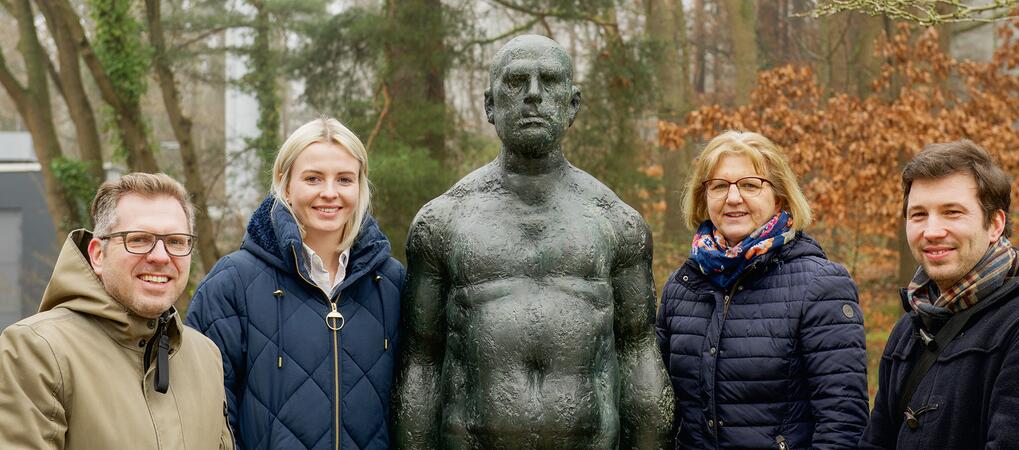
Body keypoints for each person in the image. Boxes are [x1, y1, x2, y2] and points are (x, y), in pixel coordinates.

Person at [391, 34, 672, 449]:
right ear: (490, 105)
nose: (534, 95)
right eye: (517, 81)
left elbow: (640, 359)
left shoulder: (617, 222)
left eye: (550, 81)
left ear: (572, 105)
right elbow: (421, 365)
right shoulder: (442, 222)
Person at [186, 118, 405, 449]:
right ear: (285, 183)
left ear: (360, 186)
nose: (329, 193)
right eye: (313, 178)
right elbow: (205, 412)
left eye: (344, 179)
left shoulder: (391, 282)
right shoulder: (232, 282)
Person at [656, 131, 868, 449]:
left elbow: (843, 424)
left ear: (779, 198)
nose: (733, 198)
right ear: (704, 198)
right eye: (719, 186)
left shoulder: (821, 285)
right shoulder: (681, 287)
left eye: (749, 185)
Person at [0, 172, 233, 449]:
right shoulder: (37, 350)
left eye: (175, 241)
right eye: (138, 239)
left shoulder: (206, 357)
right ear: (98, 255)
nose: (160, 256)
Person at [860, 140, 1019, 448]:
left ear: (995, 224)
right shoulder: (909, 329)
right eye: (918, 215)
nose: (932, 230)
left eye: (951, 212)